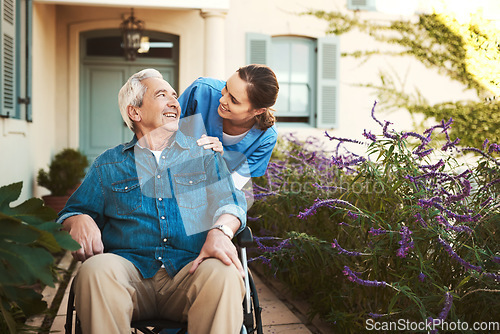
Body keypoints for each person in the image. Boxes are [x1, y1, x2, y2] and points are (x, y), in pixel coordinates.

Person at [58, 68, 248, 334]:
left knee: (224, 272)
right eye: (162, 95)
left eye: (174, 95)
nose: (174, 102)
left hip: (190, 272)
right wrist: (79, 219)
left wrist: (221, 231)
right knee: (95, 270)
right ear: (135, 112)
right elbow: (73, 210)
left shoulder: (203, 154)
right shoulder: (109, 164)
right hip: (128, 276)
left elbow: (232, 203)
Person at [178, 64, 279, 188]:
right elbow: (159, 134)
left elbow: (231, 188)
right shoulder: (201, 90)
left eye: (234, 100)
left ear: (258, 111)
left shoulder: (265, 139)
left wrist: (218, 161)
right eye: (226, 87)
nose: (222, 100)